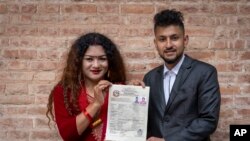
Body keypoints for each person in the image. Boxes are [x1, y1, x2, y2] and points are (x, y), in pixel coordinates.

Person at [143, 9, 221, 141]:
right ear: (155, 43)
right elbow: (146, 119)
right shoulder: (149, 78)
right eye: (162, 39)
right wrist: (134, 93)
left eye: (174, 38)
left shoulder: (205, 73)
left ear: (185, 40)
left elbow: (208, 121)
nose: (168, 45)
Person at [46, 32, 127, 141]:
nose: (96, 65)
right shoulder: (64, 91)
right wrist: (96, 104)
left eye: (102, 59)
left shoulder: (118, 90)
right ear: (79, 61)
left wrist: (138, 94)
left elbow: (130, 128)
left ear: (110, 61)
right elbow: (68, 135)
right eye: (89, 59)